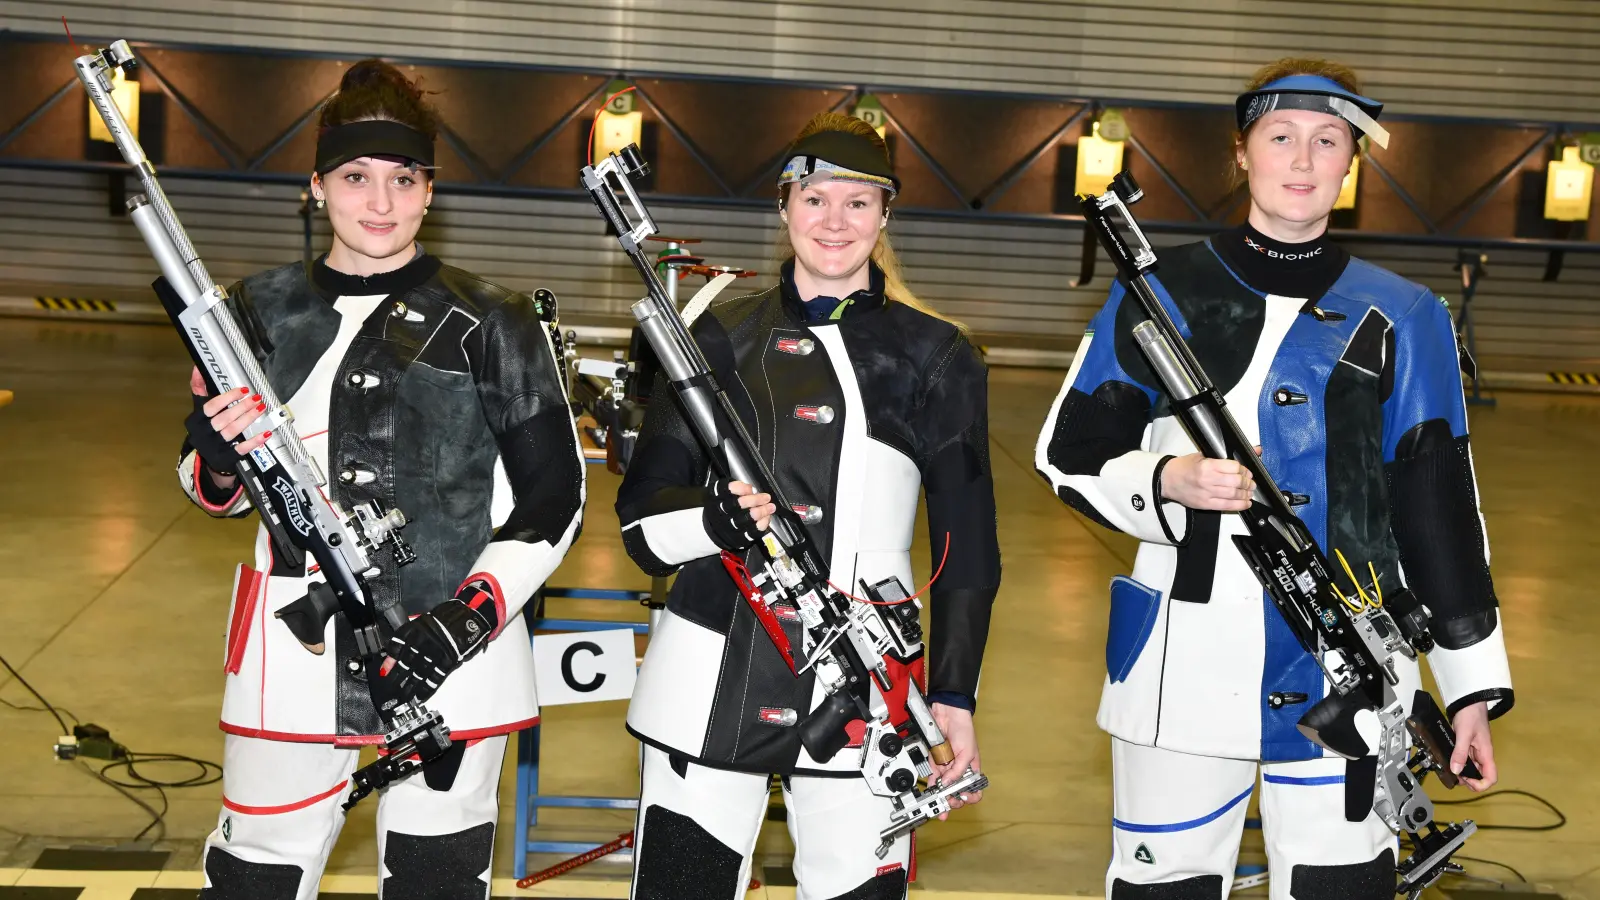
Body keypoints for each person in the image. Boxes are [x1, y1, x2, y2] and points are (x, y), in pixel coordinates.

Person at [1035, 58, 1512, 900]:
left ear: (1350, 164)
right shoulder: (1159, 292)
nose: (1302, 159)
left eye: (1328, 141)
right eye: (1281, 137)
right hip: (1177, 664)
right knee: (1164, 887)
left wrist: (1469, 684)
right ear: (1242, 155)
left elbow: (1439, 504)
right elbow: (1066, 454)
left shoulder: (1406, 314)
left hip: (1358, 667)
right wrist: (1164, 477)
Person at [177, 59, 585, 900]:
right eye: (357, 178)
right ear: (317, 186)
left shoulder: (494, 320)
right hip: (293, 648)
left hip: (457, 656)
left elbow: (556, 498)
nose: (381, 202)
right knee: (254, 870)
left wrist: (461, 622)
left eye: (404, 179)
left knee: (436, 879)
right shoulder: (252, 312)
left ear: (430, 192)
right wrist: (216, 456)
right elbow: (204, 486)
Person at [614, 112, 1001, 900]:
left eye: (859, 202)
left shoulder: (940, 355)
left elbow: (971, 546)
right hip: (707, 677)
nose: (835, 220)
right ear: (785, 206)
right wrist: (713, 520)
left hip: (871, 683)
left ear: (886, 216)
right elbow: (641, 522)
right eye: (816, 197)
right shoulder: (711, 336)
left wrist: (955, 694)